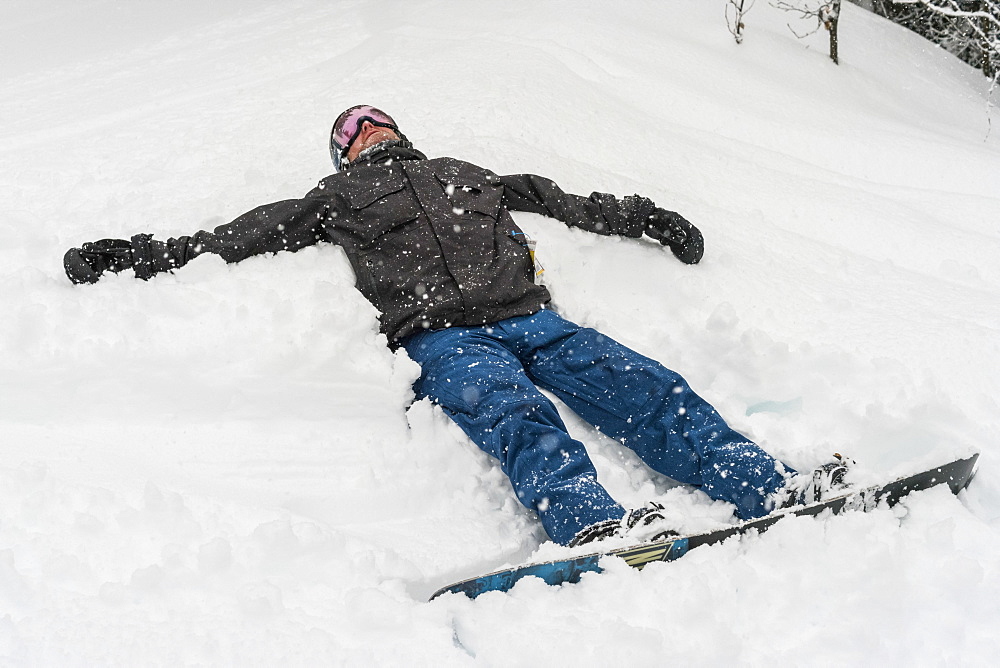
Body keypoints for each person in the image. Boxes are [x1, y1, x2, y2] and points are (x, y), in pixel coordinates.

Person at [63, 105, 849, 547]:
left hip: (532, 318)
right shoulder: (332, 200)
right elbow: (235, 237)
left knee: (645, 385)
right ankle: (594, 522)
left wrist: (647, 219)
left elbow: (565, 201)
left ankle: (766, 483)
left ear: (399, 129)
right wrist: (136, 255)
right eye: (351, 130)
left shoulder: (467, 175)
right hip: (443, 336)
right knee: (510, 412)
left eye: (375, 120)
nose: (367, 129)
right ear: (343, 156)